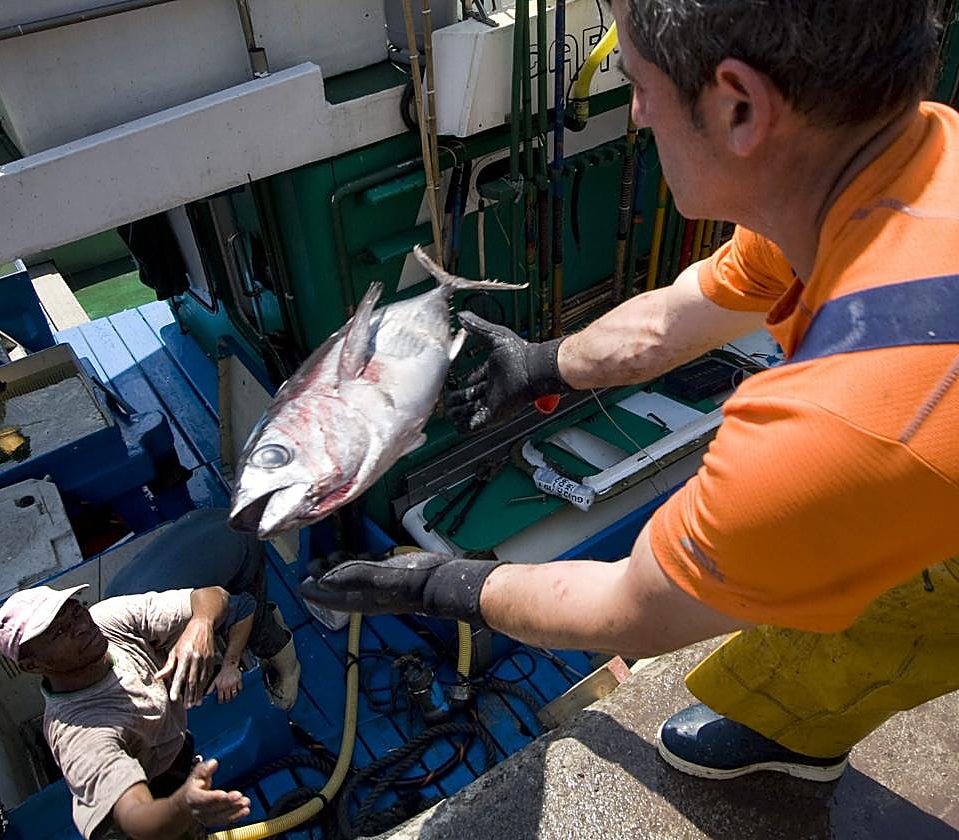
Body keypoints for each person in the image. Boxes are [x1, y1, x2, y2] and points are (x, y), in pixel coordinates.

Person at [302, 0, 959, 784]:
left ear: (738, 106)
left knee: (891, 619)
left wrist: (444, 583)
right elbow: (683, 313)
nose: (637, 114)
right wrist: (546, 364)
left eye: (636, 82)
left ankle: (796, 737)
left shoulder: (831, 430)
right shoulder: (907, 155)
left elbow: (634, 610)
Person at [0, 583, 251, 839]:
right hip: (151, 804)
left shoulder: (108, 620)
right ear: (32, 665)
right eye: (59, 632)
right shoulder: (79, 734)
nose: (81, 626)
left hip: (174, 752)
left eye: (76, 611)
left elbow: (213, 595)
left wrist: (201, 624)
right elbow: (136, 819)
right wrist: (182, 805)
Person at [103, 507, 301, 710]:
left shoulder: (165, 620)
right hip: (204, 519)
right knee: (229, 602)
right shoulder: (108, 610)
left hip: (237, 539)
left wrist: (230, 666)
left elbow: (245, 608)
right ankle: (264, 616)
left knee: (254, 623)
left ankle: (289, 668)